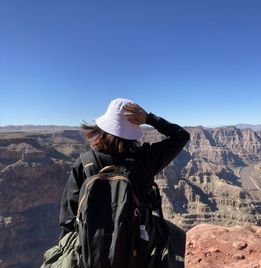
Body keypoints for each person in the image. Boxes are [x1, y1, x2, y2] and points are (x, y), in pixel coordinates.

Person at [58, 98, 190, 266]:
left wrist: (72, 249)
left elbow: (68, 217)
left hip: (90, 248)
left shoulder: (84, 162)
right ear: (133, 131)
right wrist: (149, 119)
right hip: (139, 240)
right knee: (178, 236)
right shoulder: (145, 160)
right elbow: (181, 136)